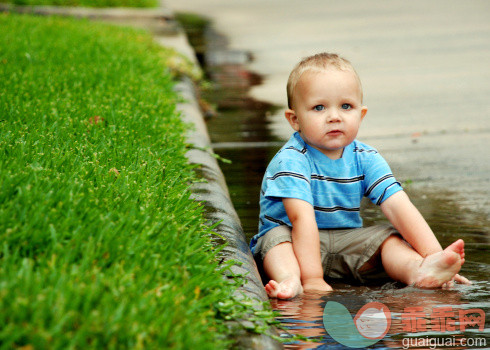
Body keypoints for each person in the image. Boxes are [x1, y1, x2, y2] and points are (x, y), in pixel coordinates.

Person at [249, 53, 470, 299]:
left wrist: (433, 254)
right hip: (294, 245)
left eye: (346, 106)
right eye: (319, 107)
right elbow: (301, 218)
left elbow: (398, 206)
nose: (334, 116)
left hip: (346, 245)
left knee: (389, 238)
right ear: (294, 119)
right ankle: (290, 280)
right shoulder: (291, 159)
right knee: (275, 239)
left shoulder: (365, 156)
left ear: (361, 114)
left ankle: (420, 270)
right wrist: (313, 279)